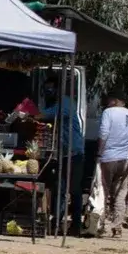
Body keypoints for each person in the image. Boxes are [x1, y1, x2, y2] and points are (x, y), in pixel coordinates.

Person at [39, 74, 86, 235]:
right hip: (65, 152)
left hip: (74, 152)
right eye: (46, 89)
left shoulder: (64, 104)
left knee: (73, 189)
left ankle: (74, 224)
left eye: (50, 89)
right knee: (61, 187)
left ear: (58, 89)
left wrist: (27, 112)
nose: (48, 92)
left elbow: (44, 115)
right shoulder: (58, 103)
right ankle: (57, 221)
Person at [96, 95, 128, 238]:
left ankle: (101, 225)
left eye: (109, 100)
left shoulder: (108, 112)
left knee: (103, 191)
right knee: (121, 194)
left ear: (115, 100)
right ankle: (117, 228)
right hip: (125, 160)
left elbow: (103, 133)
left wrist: (99, 154)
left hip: (108, 158)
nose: (107, 103)